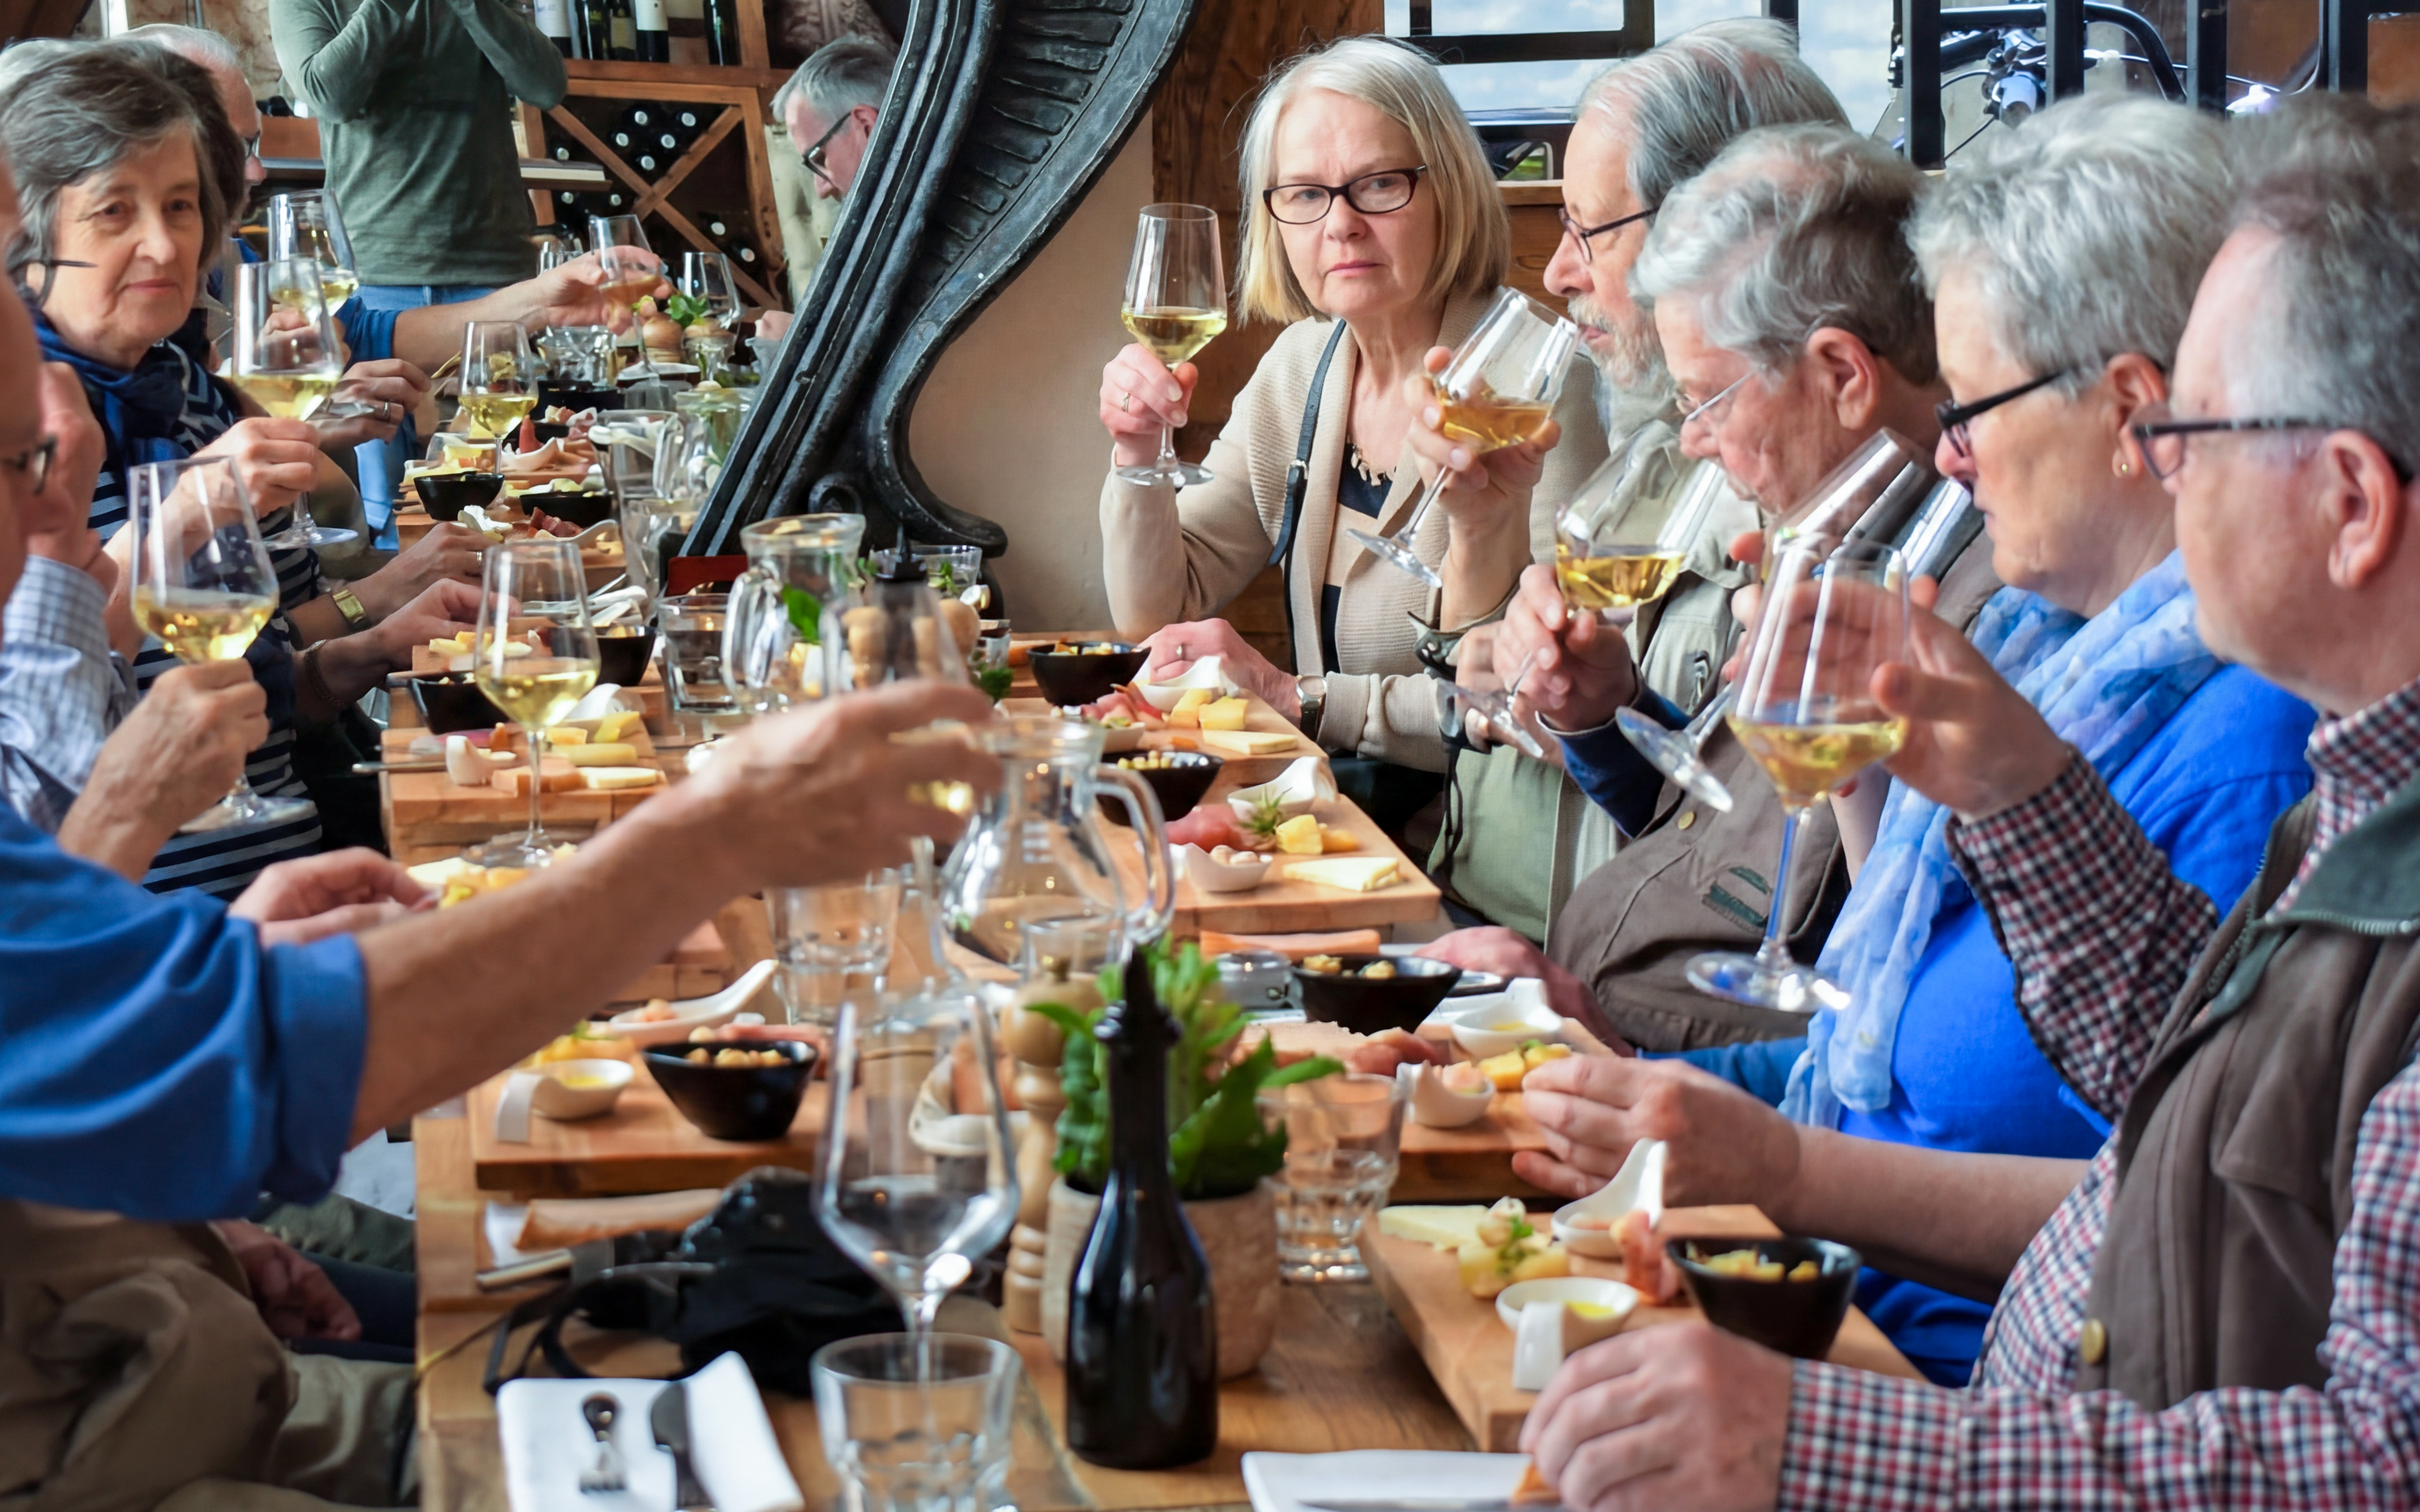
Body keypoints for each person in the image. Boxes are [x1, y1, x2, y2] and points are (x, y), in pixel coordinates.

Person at [0, 152, 999, 1512]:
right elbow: (277, 1062)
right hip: (106, 1438)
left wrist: (188, 970)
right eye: (27, 461)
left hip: (147, 1337)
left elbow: (70, 1031)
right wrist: (717, 830)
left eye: (62, 460)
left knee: (669, 1336)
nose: (68, 515)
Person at [1518, 94, 2420, 1510]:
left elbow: (2382, 1456)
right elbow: (2197, 1112)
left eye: (2195, 422)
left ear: (2354, 502)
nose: (2163, 462)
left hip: (1952, 1406)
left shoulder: (2297, 773)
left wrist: (1827, 1439)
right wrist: (2012, 790)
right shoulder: (2353, 789)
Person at [1423, 123, 1979, 1051]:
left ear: (1842, 374)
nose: (1691, 442)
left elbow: (1894, 1025)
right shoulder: (1824, 534)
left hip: (1685, 1114)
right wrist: (1605, 715)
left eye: (1707, 401)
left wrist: (1613, 1052)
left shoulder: (1955, 604)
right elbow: (1710, 838)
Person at [1100, 36, 1607, 841]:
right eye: (1304, 193)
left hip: (1480, 852)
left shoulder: (1535, 382)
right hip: (1340, 826)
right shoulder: (1303, 364)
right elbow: (1158, 608)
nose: (1340, 225)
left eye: (1378, 184)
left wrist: (1301, 699)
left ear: (1451, 190)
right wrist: (1137, 457)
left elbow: (1542, 694)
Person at [0, 45, 475, 895]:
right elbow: (42, 746)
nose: (164, 242)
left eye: (181, 205)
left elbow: (224, 688)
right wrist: (189, 510)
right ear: (29, 241)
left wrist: (354, 656)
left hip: (286, 873)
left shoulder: (178, 393)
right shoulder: (22, 436)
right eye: (115, 211)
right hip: (152, 931)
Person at [1425, 19, 1843, 941]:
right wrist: (1574, 699)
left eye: (1588, 227)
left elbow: (1767, 880)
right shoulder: (1660, 446)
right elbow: (1661, 797)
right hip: (1533, 953)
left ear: (1721, 230)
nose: (1559, 267)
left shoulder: (1828, 497)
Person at [756, 31, 898, 344]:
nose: (821, 189)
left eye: (818, 157)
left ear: (866, 126)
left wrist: (798, 345)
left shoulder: (913, 231)